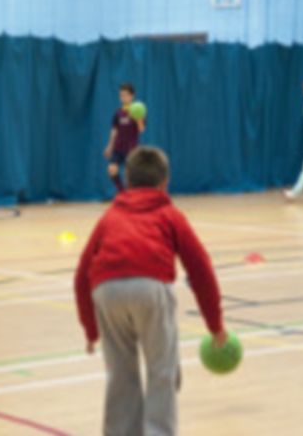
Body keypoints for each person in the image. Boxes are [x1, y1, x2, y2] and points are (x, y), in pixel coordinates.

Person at [74, 146, 227, 436]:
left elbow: (82, 275)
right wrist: (215, 324)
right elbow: (201, 270)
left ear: (127, 182)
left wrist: (90, 328)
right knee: (162, 371)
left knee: (120, 374)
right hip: (150, 287)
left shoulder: (109, 217)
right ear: (165, 183)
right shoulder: (170, 214)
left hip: (106, 290)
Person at [103, 83, 145, 193]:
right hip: (118, 148)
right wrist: (109, 146)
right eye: (121, 95)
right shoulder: (118, 113)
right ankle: (122, 193)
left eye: (125, 95)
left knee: (129, 175)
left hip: (131, 149)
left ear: (132, 96)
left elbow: (141, 129)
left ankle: (132, 196)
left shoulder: (138, 110)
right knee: (111, 169)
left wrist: (137, 119)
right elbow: (114, 131)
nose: (123, 98)